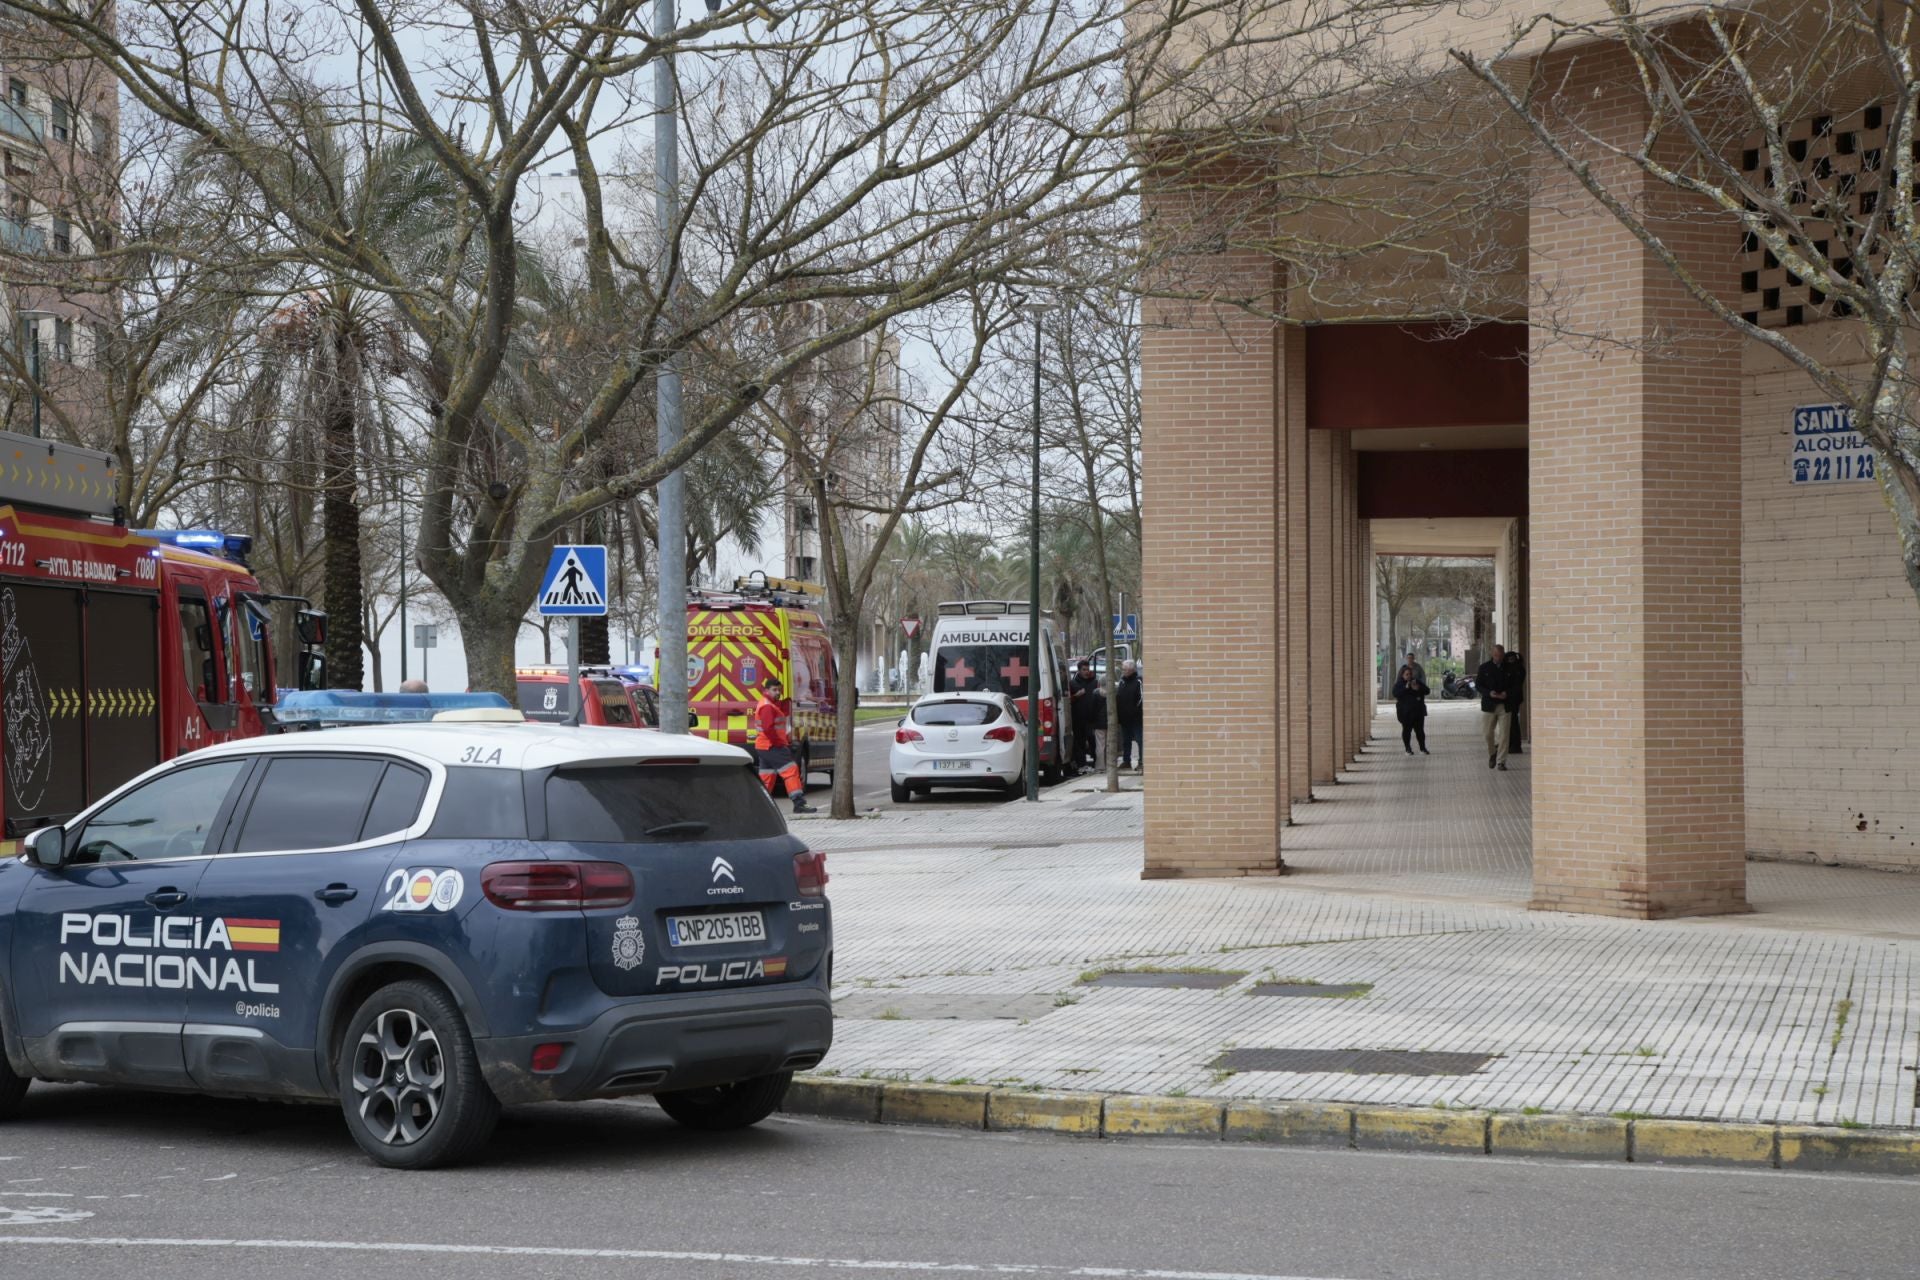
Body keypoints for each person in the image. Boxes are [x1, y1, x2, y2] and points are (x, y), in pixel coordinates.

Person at [751, 678, 816, 813]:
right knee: (791, 770)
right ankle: (799, 803)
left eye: (779, 690)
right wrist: (779, 743)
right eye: (774, 690)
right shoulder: (767, 706)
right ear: (766, 690)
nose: (777, 692)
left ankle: (758, 806)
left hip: (763, 746)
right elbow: (769, 729)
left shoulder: (767, 704)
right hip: (772, 746)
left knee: (767, 777)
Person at [1477, 644, 1511, 771]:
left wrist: (1507, 693)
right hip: (1489, 705)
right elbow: (1478, 685)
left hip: (1505, 705)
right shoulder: (1484, 668)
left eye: (1501, 656)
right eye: (1496, 655)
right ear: (1492, 654)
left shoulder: (1509, 668)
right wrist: (1488, 693)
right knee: (1487, 733)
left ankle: (1501, 762)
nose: (1498, 658)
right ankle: (1492, 752)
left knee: (1504, 735)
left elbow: (1515, 685)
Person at [1393, 656, 1429, 755]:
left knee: (1420, 731)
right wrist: (1406, 688)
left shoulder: (1416, 682)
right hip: (1406, 713)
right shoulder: (1399, 684)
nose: (1409, 676)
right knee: (1407, 731)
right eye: (1407, 674)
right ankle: (1408, 749)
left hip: (1418, 712)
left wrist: (1418, 688)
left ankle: (1422, 748)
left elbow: (1427, 691)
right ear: (1402, 675)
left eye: (1410, 674)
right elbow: (1395, 694)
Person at [1068, 660, 1100, 771]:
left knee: (1093, 741)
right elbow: (1068, 700)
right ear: (1079, 670)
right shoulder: (1073, 683)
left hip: (1092, 718)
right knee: (1079, 742)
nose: (1086, 672)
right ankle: (1081, 764)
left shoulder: (1095, 682)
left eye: (1087, 669)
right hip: (1078, 719)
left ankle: (1097, 762)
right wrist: (1076, 696)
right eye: (1084, 670)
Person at [1115, 660, 1144, 771]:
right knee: (1125, 741)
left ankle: (1141, 762)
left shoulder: (1138, 681)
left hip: (1136, 718)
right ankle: (1126, 761)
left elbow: (1141, 698)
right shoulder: (1122, 681)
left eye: (1124, 669)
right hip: (1124, 718)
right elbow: (1118, 696)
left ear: (1131, 669)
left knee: (1139, 739)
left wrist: (1134, 711)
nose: (1123, 671)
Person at [1503, 649, 1527, 756]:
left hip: (1513, 698)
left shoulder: (1517, 669)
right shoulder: (1517, 668)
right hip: (1512, 698)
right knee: (1511, 722)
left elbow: (1516, 685)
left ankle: (1515, 745)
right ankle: (1512, 744)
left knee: (1513, 722)